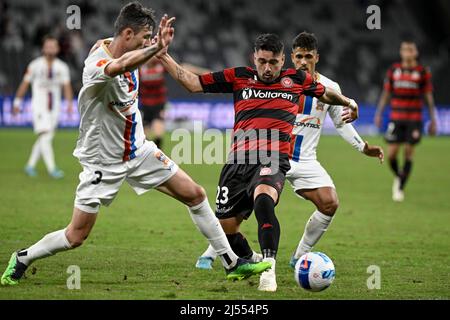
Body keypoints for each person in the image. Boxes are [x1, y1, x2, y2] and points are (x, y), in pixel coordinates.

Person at [1, 2, 271, 287]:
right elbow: (119, 66)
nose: (148, 43)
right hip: (103, 162)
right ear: (127, 34)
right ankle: (23, 257)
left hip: (139, 150)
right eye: (144, 38)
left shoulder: (127, 48)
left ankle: (230, 262)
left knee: (195, 194)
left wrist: (156, 50)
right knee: (76, 236)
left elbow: (133, 59)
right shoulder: (97, 65)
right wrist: (154, 50)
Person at [158, 33, 359, 292]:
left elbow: (325, 93)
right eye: (262, 61)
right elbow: (193, 83)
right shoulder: (239, 76)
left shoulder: (296, 80)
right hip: (238, 161)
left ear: (282, 60)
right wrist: (163, 55)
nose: (267, 68)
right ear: (254, 58)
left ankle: (269, 269)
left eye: (273, 62)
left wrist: (348, 103)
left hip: (273, 156)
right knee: (226, 229)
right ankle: (252, 259)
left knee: (264, 200)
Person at [195, 31, 384, 274]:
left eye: (308, 57)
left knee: (329, 202)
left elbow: (341, 123)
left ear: (317, 57)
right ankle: (214, 252)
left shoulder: (328, 88)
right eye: (298, 57)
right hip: (272, 155)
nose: (303, 62)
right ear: (290, 59)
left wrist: (362, 147)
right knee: (244, 209)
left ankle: (299, 256)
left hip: (305, 160)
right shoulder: (280, 83)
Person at [375, 40, 437, 201]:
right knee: (391, 155)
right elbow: (386, 94)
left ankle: (400, 187)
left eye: (411, 49)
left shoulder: (423, 72)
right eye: (405, 49)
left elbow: (428, 96)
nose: (408, 52)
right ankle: (400, 175)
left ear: (415, 53)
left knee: (409, 153)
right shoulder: (394, 70)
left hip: (414, 118)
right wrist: (379, 113)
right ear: (401, 52)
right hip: (396, 116)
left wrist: (433, 119)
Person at [12, 35, 73, 179]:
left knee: (45, 137)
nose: (50, 48)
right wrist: (16, 102)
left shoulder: (62, 67)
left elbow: (67, 86)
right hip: (39, 106)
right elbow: (25, 84)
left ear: (57, 49)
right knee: (45, 136)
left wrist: (69, 104)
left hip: (55, 107)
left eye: (53, 46)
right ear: (43, 48)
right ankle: (52, 169)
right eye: (48, 46)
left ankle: (30, 165)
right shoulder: (34, 65)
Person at [139, 57, 210, 149]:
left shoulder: (161, 66)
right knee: (143, 137)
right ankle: (146, 154)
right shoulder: (139, 68)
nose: (152, 57)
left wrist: (203, 72)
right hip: (144, 105)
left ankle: (157, 154)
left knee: (158, 134)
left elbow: (182, 67)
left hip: (159, 104)